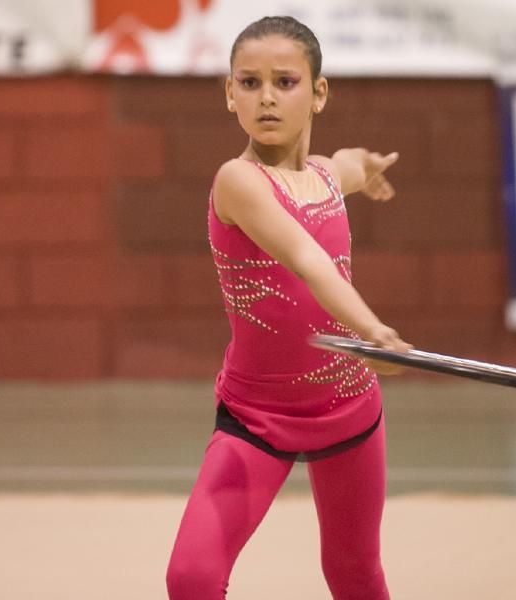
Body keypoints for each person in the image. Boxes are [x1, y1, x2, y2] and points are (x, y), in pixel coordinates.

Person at [166, 15, 411, 600]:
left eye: (286, 81)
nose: (267, 97)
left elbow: (344, 163)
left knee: (354, 574)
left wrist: (368, 166)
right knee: (192, 578)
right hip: (258, 418)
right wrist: (372, 328)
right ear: (229, 93)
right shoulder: (238, 182)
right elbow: (306, 257)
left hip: (349, 408)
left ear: (318, 93)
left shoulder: (325, 177)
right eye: (249, 83)